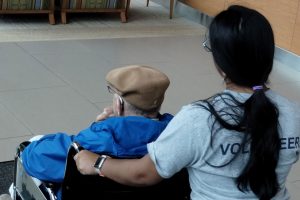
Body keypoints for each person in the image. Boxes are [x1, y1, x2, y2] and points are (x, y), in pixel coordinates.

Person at [74, 5, 300, 200]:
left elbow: (143, 174)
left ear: (220, 64)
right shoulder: (293, 113)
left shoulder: (200, 119)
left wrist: (97, 162)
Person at [17, 65, 172, 199]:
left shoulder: (99, 138)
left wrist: (96, 128)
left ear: (118, 104)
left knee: (29, 149)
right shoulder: (175, 134)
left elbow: (37, 158)